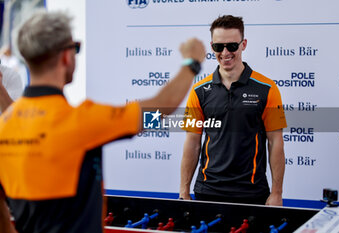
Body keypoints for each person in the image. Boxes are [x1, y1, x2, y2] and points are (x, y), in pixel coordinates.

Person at [0, 11, 206, 233]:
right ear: (66, 57)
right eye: (75, 48)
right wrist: (192, 62)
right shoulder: (79, 121)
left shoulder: (5, 125)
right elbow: (161, 106)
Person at [179, 15, 287, 206]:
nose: (225, 52)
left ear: (243, 44)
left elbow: (275, 141)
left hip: (252, 192)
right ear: (212, 47)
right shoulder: (199, 91)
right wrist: (183, 190)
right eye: (219, 47)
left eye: (232, 46)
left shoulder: (267, 88)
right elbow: (192, 142)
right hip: (207, 191)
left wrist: (277, 192)